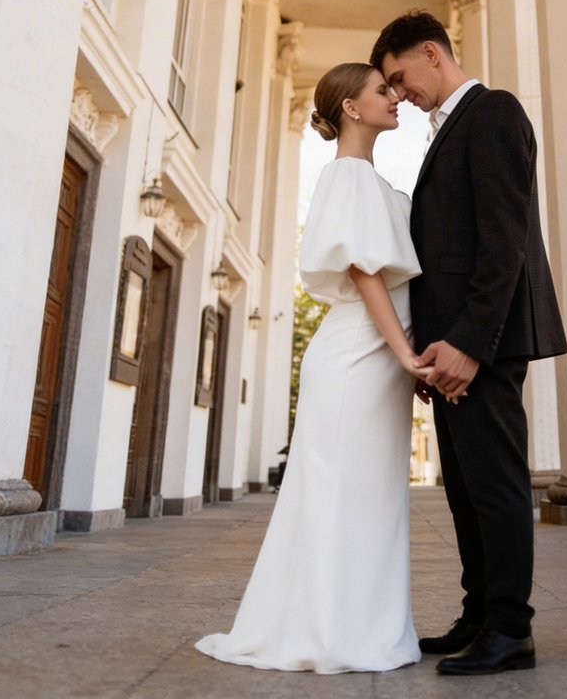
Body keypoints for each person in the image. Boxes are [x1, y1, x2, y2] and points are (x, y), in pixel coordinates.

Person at [195, 62, 427, 674]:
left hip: (377, 357)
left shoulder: (372, 181)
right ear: (350, 107)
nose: (395, 97)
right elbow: (364, 271)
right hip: (357, 356)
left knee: (371, 496)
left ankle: (361, 626)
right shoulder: (347, 175)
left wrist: (403, 357)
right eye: (382, 90)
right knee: (340, 494)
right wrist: (405, 351)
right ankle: (328, 633)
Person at [371, 10, 567, 677]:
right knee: (464, 489)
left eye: (400, 77)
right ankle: (479, 613)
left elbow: (503, 240)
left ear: (432, 53)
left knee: (495, 485)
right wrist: (432, 349)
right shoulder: (449, 127)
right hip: (450, 347)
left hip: (483, 344)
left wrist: (470, 344)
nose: (400, 94)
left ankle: (511, 630)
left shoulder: (493, 112)